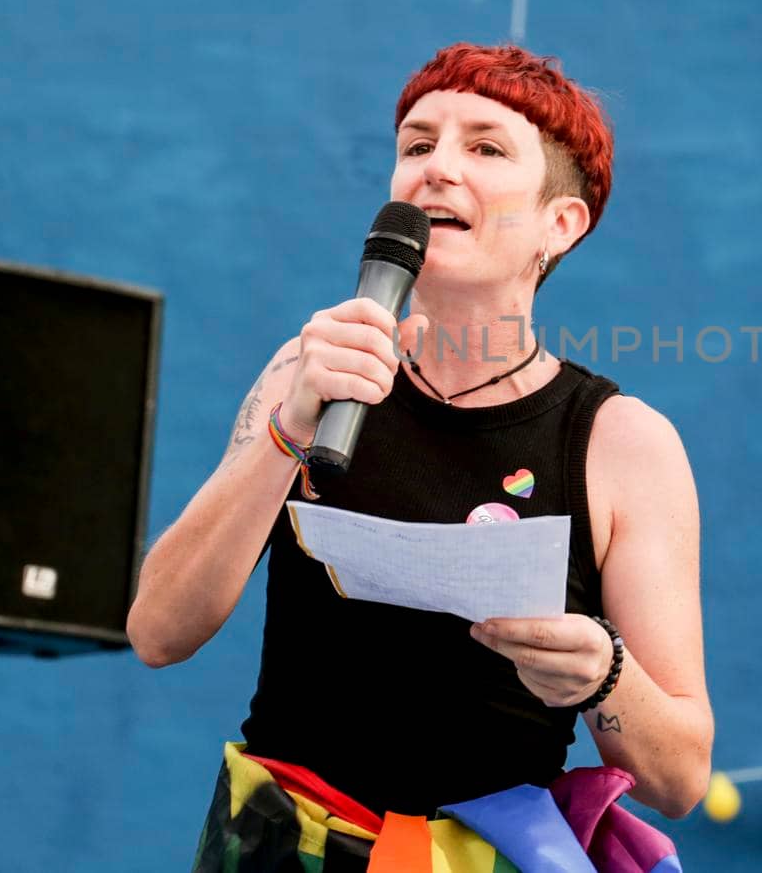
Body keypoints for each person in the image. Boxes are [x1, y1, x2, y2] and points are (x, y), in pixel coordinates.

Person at [126, 43, 714, 865]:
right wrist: (288, 431)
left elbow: (681, 776)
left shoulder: (624, 443)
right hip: (281, 845)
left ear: (560, 222)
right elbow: (157, 630)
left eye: (484, 147)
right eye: (416, 144)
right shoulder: (306, 372)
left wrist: (604, 674)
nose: (436, 169)